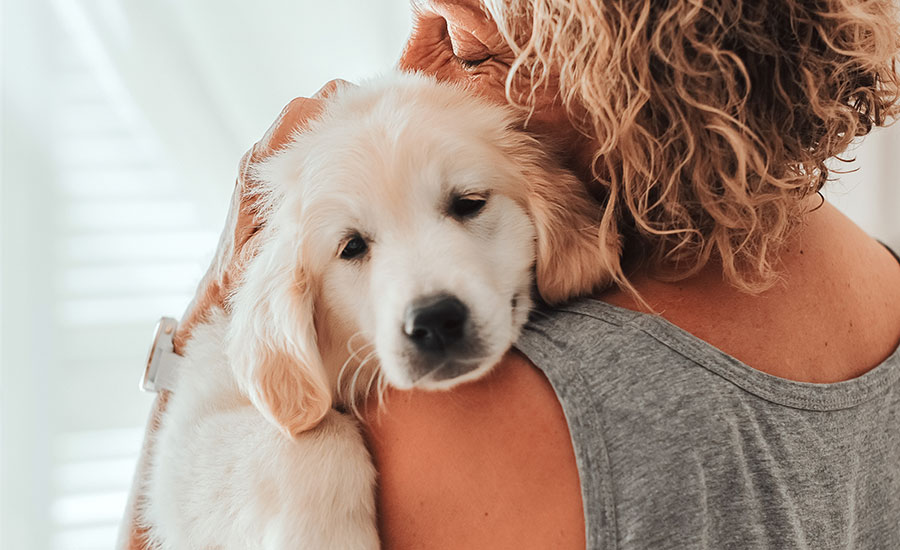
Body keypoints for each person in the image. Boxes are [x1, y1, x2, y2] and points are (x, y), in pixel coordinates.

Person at [119, 0, 900, 548]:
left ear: (634, 37)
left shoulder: (476, 413)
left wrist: (217, 294)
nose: (431, 15)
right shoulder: (881, 277)